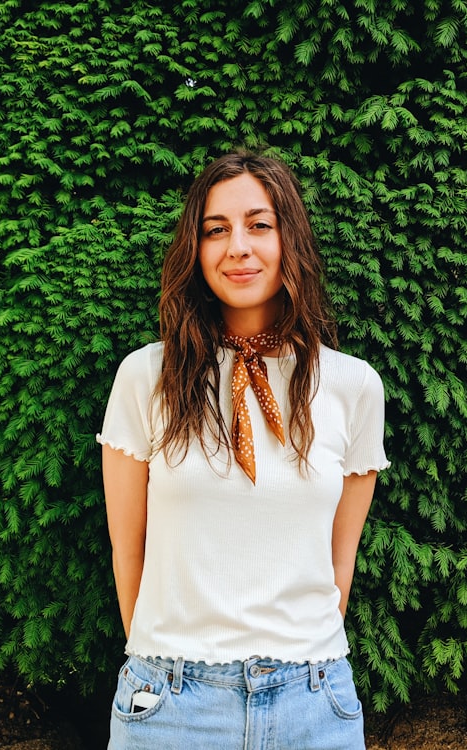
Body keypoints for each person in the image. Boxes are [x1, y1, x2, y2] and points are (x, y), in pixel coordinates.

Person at [96, 152, 390, 749]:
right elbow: (129, 554)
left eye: (259, 224)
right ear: (195, 249)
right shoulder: (146, 377)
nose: (238, 247)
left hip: (313, 703)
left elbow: (340, 562)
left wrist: (305, 658)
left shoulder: (353, 386)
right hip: (171, 704)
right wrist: (162, 660)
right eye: (216, 229)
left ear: (291, 239)